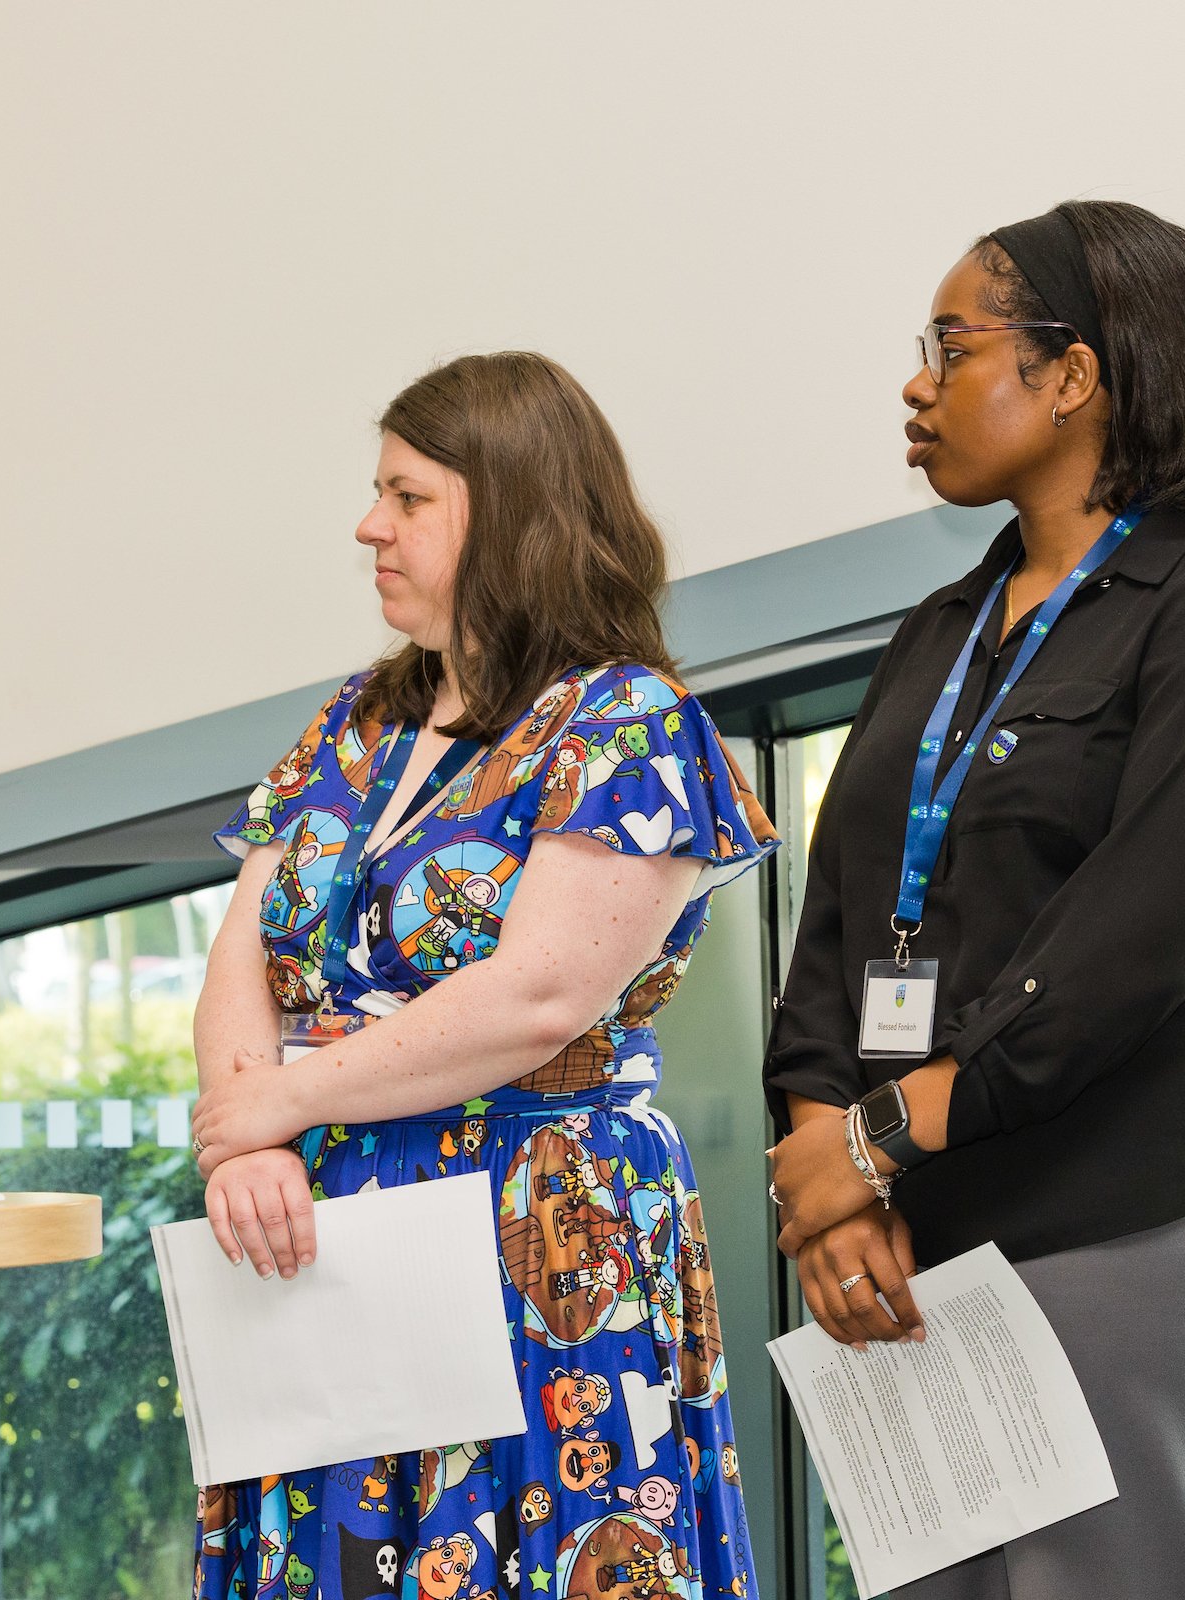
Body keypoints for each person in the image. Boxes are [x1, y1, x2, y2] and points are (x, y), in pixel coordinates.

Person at [762, 200, 1185, 1600]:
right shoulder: (938, 633)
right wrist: (833, 1180)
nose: (916, 383)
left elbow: (1137, 942)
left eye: (951, 347)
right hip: (913, 1230)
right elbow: (835, 932)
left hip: (1137, 1204)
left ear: (1074, 376)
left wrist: (877, 1142)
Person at [186, 352, 775, 1600]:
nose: (370, 527)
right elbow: (247, 943)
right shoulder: (355, 716)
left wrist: (287, 1101)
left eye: (408, 498)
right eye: (377, 495)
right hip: (322, 1222)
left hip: (538, 1227)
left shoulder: (624, 721)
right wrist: (247, 1142)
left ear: (508, 513)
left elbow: (539, 996)